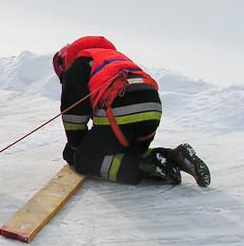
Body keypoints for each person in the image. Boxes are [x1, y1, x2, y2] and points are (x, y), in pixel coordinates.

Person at [53, 35, 210, 187]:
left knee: (85, 159)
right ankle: (175, 156)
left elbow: (73, 114)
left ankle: (144, 166)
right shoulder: (114, 58)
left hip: (121, 110)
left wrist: (76, 147)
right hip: (152, 109)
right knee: (126, 152)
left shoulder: (78, 65)